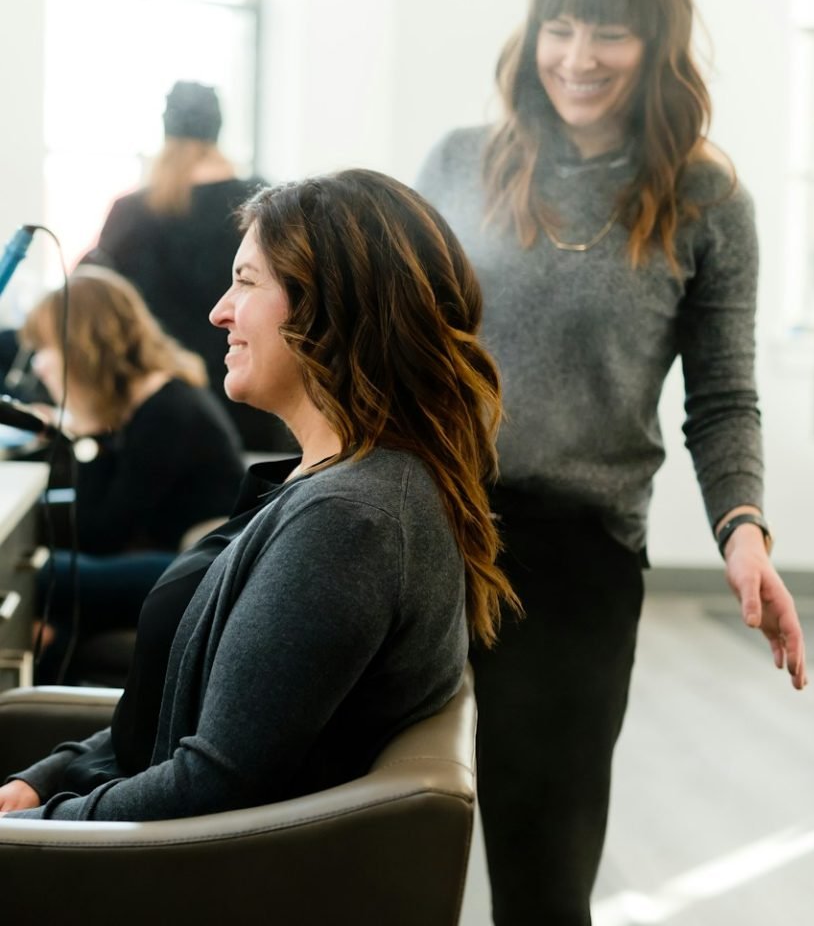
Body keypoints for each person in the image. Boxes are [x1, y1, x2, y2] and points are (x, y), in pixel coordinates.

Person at [415, 0, 807, 925]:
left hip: (573, 555)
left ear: (660, 44)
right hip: (420, 524)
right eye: (561, 26)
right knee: (361, 829)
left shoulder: (707, 201)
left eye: (612, 34)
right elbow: (395, 345)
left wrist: (745, 532)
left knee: (543, 872)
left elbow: (721, 394)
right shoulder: (458, 163)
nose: (577, 59)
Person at [0, 169, 518, 822]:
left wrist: (34, 830)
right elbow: (187, 719)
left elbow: (207, 786)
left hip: (153, 875)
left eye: (245, 282)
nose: (219, 311)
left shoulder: (347, 526)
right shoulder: (345, 486)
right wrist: (54, 777)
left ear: (327, 308)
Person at [19, 265, 245, 682]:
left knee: (44, 574)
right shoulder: (154, 400)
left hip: (199, 571)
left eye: (45, 348)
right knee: (58, 622)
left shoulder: (166, 413)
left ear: (81, 347)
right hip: (182, 558)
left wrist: (86, 437)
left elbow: (100, 532)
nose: (39, 366)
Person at [81, 80, 286, 452]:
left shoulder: (132, 213)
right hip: (254, 399)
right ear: (217, 130)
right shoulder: (263, 204)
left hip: (162, 411)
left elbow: (86, 301)